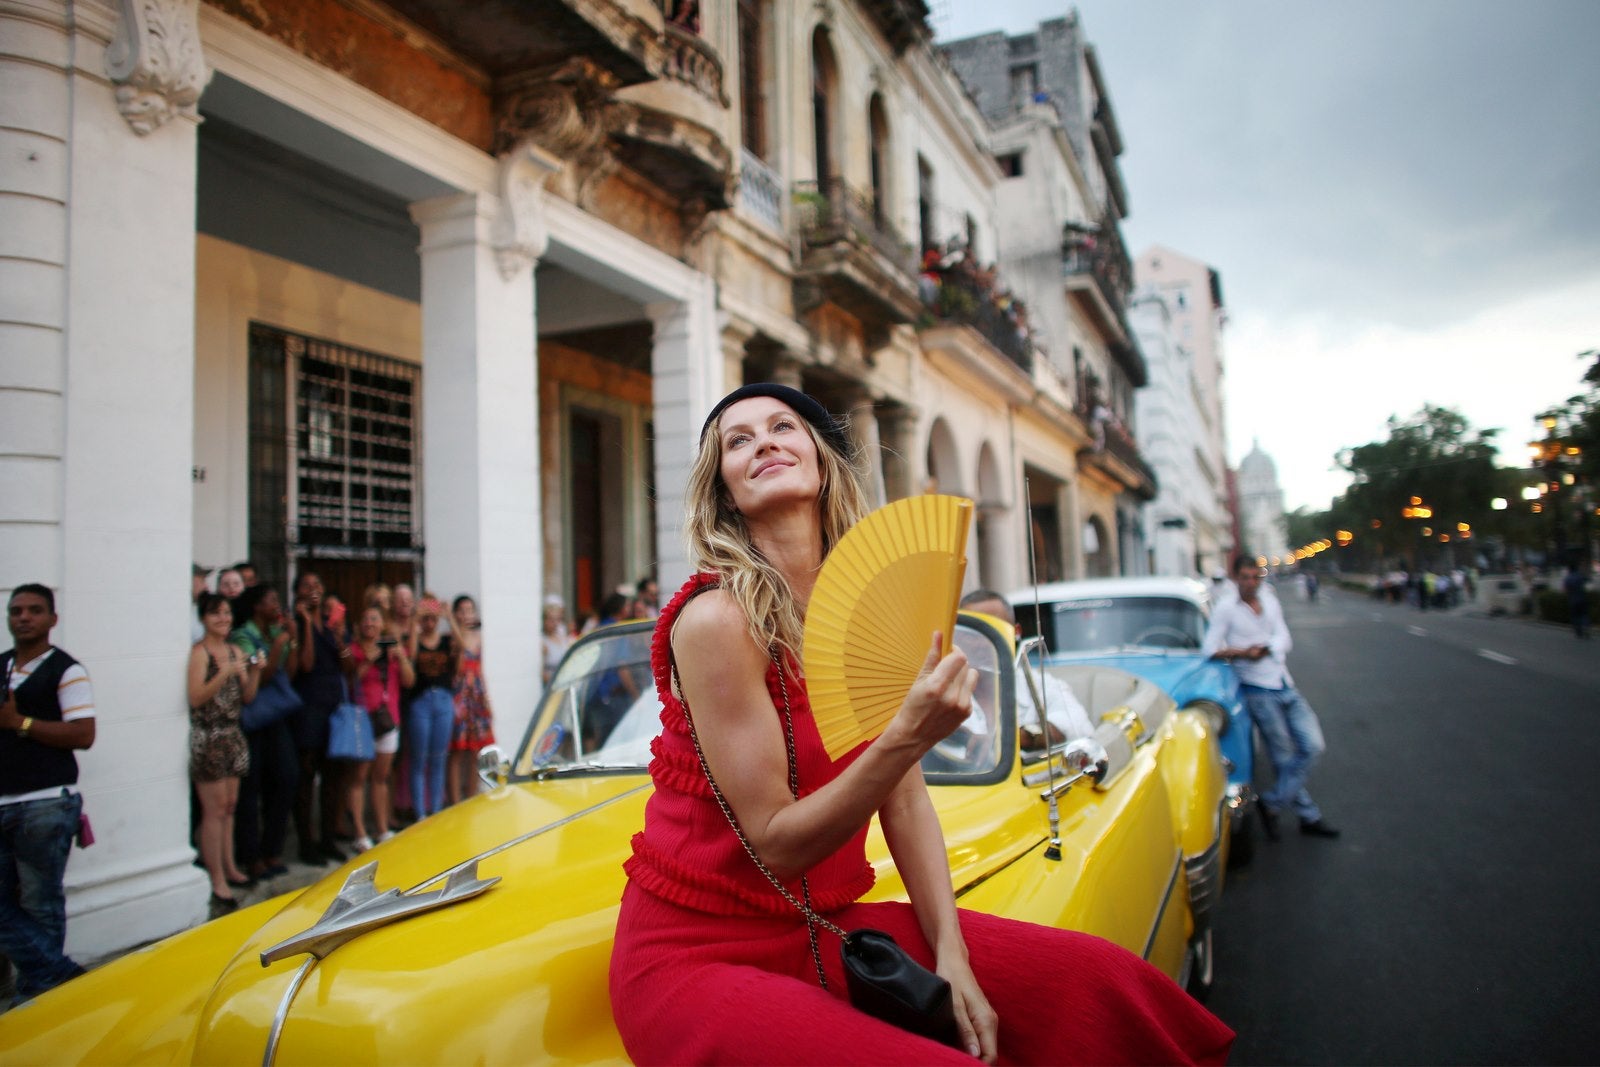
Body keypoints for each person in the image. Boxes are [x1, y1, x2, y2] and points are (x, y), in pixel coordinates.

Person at [608, 383, 1233, 1065]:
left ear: (821, 462)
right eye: (738, 439)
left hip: (822, 925)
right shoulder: (717, 620)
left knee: (1097, 980)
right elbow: (779, 844)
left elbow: (905, 800)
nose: (763, 440)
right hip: (697, 952)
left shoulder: (875, 609)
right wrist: (910, 732)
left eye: (782, 426)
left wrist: (953, 954)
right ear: (725, 489)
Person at [0, 584, 96, 1002]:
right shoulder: (1, 665)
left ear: (52, 619)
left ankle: (38, 1002)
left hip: (45, 803)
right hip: (3, 799)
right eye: (16, 610)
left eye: (34, 610)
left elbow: (83, 734)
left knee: (41, 906)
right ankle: (59, 977)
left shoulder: (66, 669)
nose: (23, 617)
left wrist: (19, 723)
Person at [1203, 556, 1339, 840]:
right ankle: (1308, 816)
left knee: (1313, 745)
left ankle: (1272, 802)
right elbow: (1210, 648)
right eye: (1245, 577)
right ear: (1235, 578)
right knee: (1282, 755)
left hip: (1283, 682)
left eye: (1255, 577)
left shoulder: (1270, 601)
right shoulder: (1226, 608)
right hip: (1256, 689)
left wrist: (1263, 648)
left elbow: (1283, 638)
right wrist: (1243, 653)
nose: (1251, 583)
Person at [187, 592, 258, 911]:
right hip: (210, 736)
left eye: (227, 613)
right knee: (213, 811)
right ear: (204, 618)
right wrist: (224, 674)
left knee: (230, 806)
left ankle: (230, 866)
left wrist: (254, 670)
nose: (223, 619)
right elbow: (196, 696)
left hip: (233, 734)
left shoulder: (233, 649)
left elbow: (247, 696)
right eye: (216, 613)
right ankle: (215, 877)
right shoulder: (200, 653)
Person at [957, 590, 1097, 750]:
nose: (982, 642)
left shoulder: (1041, 684)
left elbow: (1077, 725)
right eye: (973, 633)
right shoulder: (943, 692)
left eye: (993, 630)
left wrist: (1020, 737)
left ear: (1016, 632)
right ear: (958, 636)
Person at [230, 584, 298, 881]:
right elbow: (263, 675)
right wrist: (282, 640)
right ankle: (251, 856)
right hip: (252, 719)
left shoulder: (273, 633)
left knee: (287, 777)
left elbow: (289, 673)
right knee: (250, 787)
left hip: (275, 716)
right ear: (257, 605)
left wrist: (290, 642)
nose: (277, 604)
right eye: (272, 599)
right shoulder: (244, 635)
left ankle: (273, 850)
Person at [289, 572, 350, 866]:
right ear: (297, 592)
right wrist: (304, 621)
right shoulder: (296, 625)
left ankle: (328, 837)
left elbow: (347, 666)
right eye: (307, 586)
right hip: (307, 706)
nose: (314, 590)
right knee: (305, 776)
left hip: (333, 705)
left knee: (333, 776)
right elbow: (306, 663)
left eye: (317, 585)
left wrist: (338, 637)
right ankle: (306, 842)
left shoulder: (330, 625)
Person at [346, 606, 412, 849]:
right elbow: (352, 678)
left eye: (374, 619)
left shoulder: (392, 649)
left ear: (382, 624)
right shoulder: (354, 649)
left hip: (388, 718)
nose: (369, 624)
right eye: (365, 619)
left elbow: (408, 680)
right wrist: (370, 658)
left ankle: (382, 828)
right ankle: (360, 832)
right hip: (363, 718)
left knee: (381, 777)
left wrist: (401, 655)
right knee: (359, 776)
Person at [407, 596, 456, 818]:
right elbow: (411, 655)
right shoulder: (415, 638)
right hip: (421, 701)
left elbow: (463, 645)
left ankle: (435, 811)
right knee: (419, 759)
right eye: (425, 619)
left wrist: (449, 617)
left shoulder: (446, 641)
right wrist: (414, 621)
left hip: (444, 700)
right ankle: (420, 813)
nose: (429, 623)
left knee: (439, 758)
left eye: (432, 619)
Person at [447, 595, 494, 805]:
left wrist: (486, 698)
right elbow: (456, 665)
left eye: (470, 610)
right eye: (462, 610)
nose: (467, 615)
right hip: (459, 694)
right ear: (455, 614)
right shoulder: (451, 638)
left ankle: (472, 795)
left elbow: (481, 669)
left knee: (475, 749)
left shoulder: (478, 637)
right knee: (457, 750)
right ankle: (456, 799)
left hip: (476, 693)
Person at [541, 595, 572, 685]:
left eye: (558, 620)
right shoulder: (542, 641)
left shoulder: (562, 636)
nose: (555, 624)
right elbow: (541, 674)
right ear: (544, 620)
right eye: (551, 620)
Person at [1564, 561, 1590, 639]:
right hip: (1582, 598)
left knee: (1575, 616)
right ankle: (1586, 626)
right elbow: (1587, 581)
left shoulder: (1568, 578)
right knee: (1583, 614)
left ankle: (1578, 631)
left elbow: (1566, 589)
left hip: (1572, 600)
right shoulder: (1580, 575)